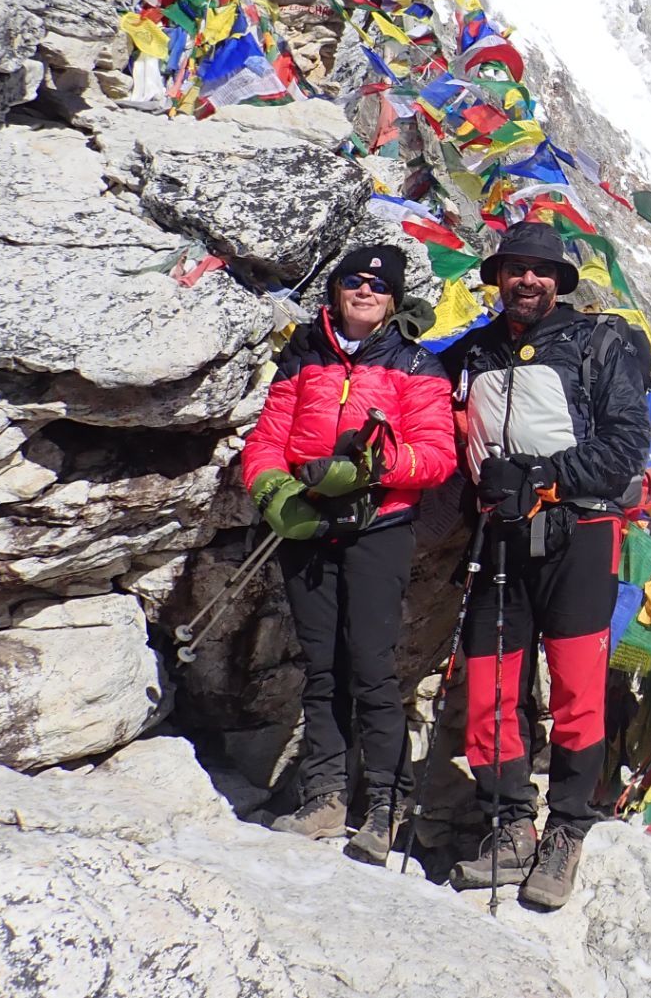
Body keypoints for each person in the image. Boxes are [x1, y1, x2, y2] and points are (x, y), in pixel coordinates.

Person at [443, 220, 650, 908]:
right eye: (514, 267)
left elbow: (626, 444)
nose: (526, 279)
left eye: (540, 269)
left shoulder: (600, 344)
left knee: (577, 690)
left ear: (560, 280)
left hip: (578, 532)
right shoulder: (472, 352)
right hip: (497, 535)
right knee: (489, 686)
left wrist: (546, 476)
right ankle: (507, 822)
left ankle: (565, 828)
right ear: (497, 277)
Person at [240, 246, 457, 863]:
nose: (365, 291)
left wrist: (373, 468)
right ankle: (325, 797)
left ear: (393, 300)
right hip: (306, 526)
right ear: (335, 291)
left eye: (378, 285)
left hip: (378, 527)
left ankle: (386, 805)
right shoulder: (303, 356)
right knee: (321, 664)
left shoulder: (419, 365)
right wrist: (273, 488)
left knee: (370, 665)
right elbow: (267, 440)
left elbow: (436, 456)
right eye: (353, 281)